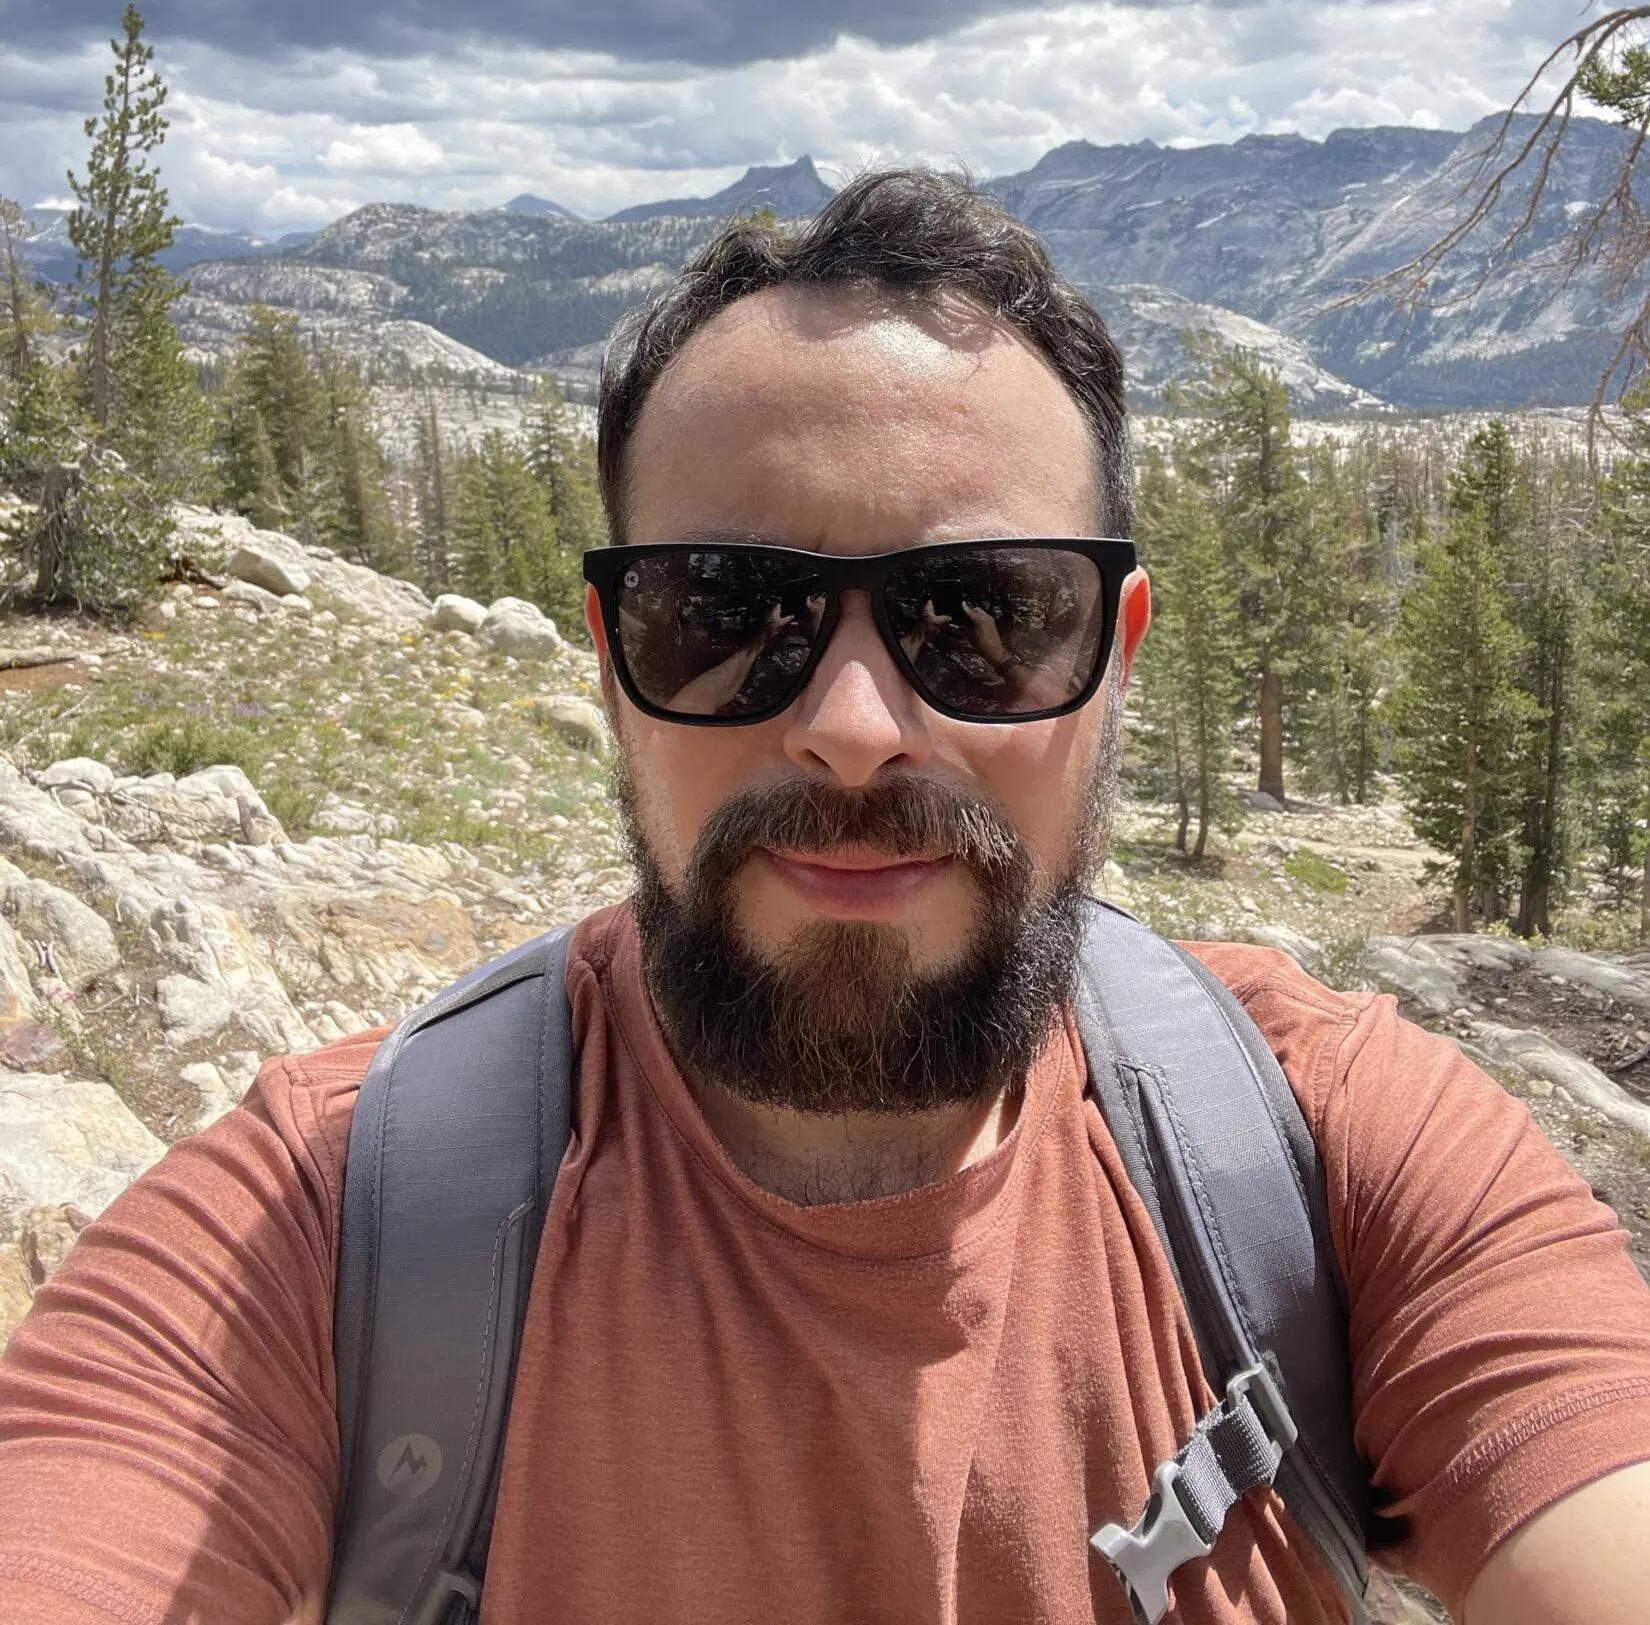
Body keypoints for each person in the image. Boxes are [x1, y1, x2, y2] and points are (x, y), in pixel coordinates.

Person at [2, 171, 1649, 1625]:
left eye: (982, 614)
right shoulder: (319, 1233)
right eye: (723, 610)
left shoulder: (1335, 1155)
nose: (853, 726)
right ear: (611, 672)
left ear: (1116, 665)